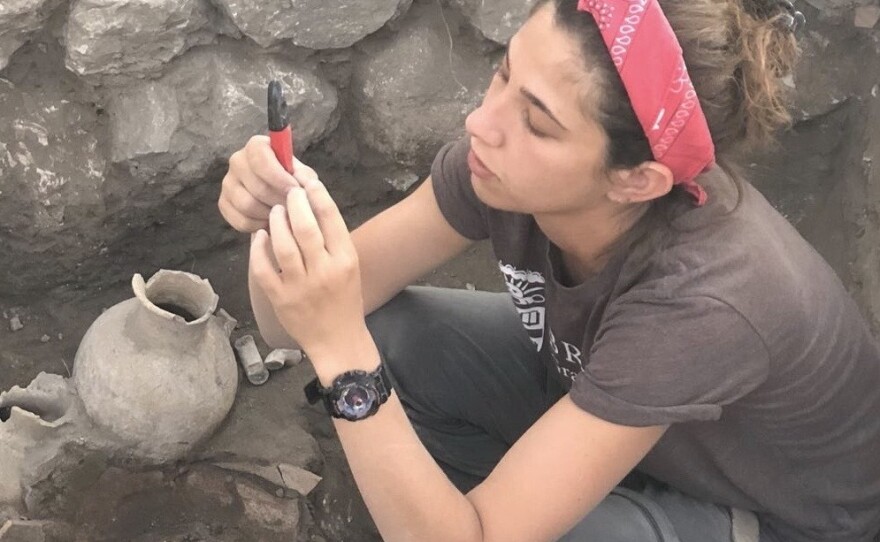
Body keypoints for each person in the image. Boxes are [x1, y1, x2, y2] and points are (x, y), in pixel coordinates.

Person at [217, 0, 880, 540]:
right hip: (641, 414)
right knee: (387, 338)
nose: (482, 122)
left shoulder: (708, 300)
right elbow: (286, 330)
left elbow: (330, 344)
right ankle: (524, 499)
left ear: (636, 179)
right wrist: (273, 223)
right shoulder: (498, 171)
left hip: (774, 515)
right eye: (504, 74)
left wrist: (340, 353)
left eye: (537, 123)